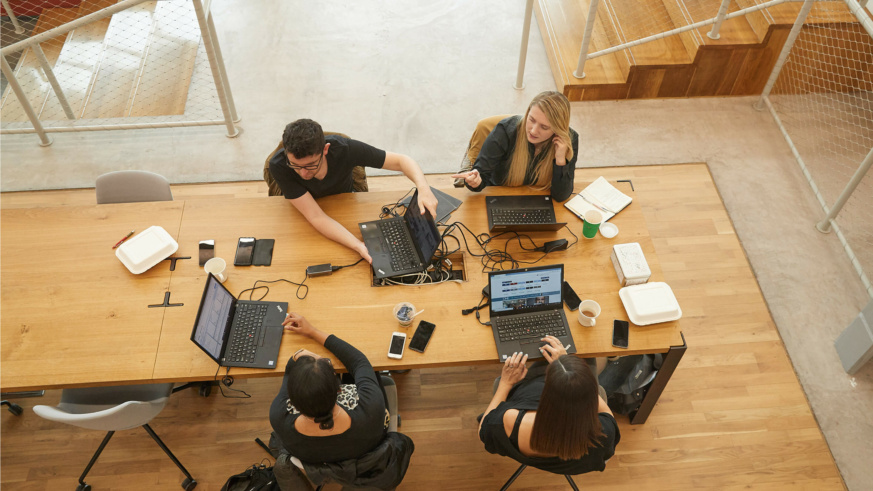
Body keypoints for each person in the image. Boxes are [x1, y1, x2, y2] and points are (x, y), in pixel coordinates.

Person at [268, 119, 439, 263]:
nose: (304, 173)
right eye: (296, 166)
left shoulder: (346, 149)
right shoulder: (279, 165)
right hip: (308, 209)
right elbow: (316, 216)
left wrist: (423, 189)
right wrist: (359, 246)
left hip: (346, 202)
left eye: (311, 165)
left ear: (325, 150)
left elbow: (402, 161)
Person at [478, 336, 620, 475]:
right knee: (585, 353)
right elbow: (606, 413)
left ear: (545, 394)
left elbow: (483, 430)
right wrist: (576, 380)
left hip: (526, 401)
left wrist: (505, 383)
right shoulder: (603, 435)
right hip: (570, 464)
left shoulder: (512, 420)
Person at [269, 312, 389, 463]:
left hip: (317, 459)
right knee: (361, 373)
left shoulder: (279, 415)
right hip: (364, 448)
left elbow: (289, 371)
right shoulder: (371, 407)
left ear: (292, 399)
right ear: (340, 389)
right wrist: (312, 332)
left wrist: (298, 357)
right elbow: (359, 362)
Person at [452, 91, 579, 201]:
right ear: (527, 112)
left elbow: (561, 196)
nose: (533, 131)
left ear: (557, 129)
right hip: (501, 195)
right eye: (531, 120)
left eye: (544, 127)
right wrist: (476, 181)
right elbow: (480, 176)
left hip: (535, 199)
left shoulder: (568, 140)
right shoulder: (505, 131)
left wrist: (560, 160)